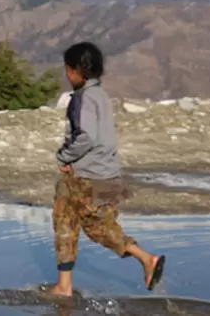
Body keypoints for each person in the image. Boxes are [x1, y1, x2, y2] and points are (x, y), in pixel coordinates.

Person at [47, 41, 165, 297]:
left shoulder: (82, 99)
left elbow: (86, 136)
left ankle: (66, 286)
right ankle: (65, 285)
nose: (67, 75)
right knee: (82, 225)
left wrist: (64, 157)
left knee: (79, 225)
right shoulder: (100, 95)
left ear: (76, 71)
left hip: (86, 177)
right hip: (104, 175)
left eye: (68, 70)